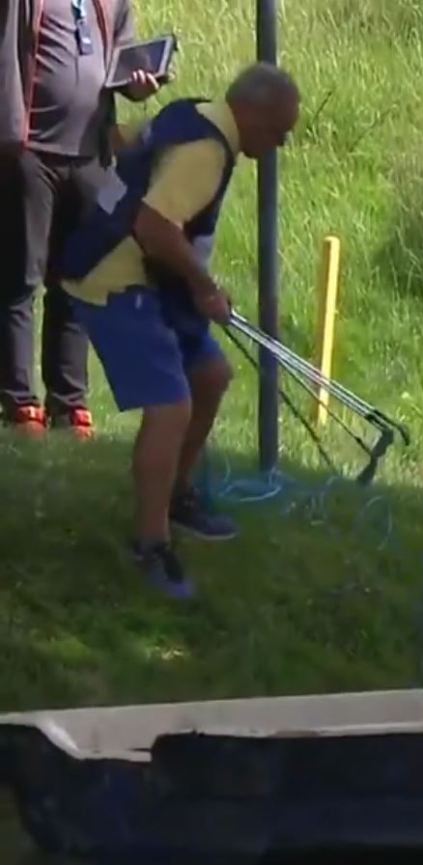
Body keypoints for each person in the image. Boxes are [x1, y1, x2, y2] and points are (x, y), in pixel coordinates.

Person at [57, 62, 301, 598]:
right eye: (279, 130)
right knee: (172, 406)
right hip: (115, 277)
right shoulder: (206, 151)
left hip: (152, 276)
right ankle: (150, 543)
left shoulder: (190, 112)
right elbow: (152, 226)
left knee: (210, 374)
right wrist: (204, 286)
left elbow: (127, 144)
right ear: (253, 112)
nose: (280, 142)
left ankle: (175, 493)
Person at [0, 0, 164, 437]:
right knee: (22, 278)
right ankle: (19, 402)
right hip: (30, 152)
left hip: (91, 158)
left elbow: (121, 65)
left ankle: (68, 402)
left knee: (75, 279)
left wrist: (140, 83)